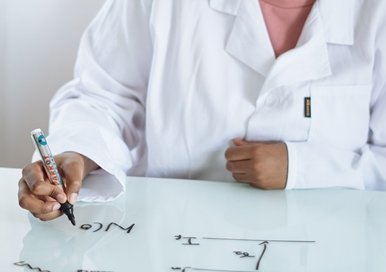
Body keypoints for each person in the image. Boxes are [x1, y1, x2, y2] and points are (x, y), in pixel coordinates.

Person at [18, 0, 386, 222]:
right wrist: (79, 154)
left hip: (336, 247)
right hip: (167, 242)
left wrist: (303, 168)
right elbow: (102, 96)